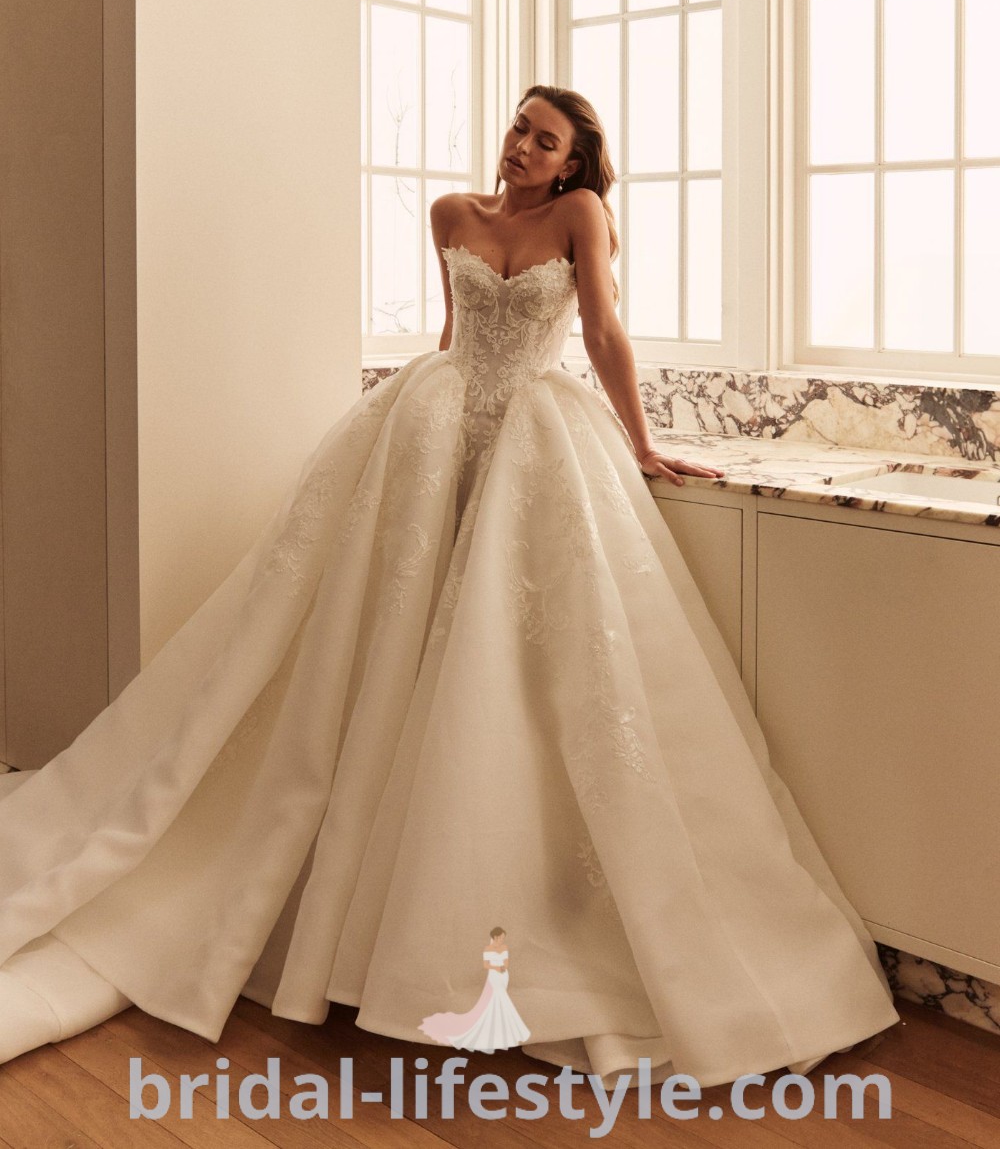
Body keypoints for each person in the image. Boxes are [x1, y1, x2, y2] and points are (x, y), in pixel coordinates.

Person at [0, 85, 900, 1089]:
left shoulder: (580, 217)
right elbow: (448, 332)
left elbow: (601, 332)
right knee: (382, 638)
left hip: (535, 438)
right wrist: (398, 446)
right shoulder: (450, 215)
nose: (521, 146)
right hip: (434, 431)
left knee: (516, 657)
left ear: (572, 164)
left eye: (544, 139)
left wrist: (643, 444)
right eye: (518, 127)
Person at [419, 926, 531, 1052]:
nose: (502, 940)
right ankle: (490, 1029)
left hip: (503, 975)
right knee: (493, 999)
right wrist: (496, 968)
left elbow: (506, 962)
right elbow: (486, 964)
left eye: (503, 938)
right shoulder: (488, 949)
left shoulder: (504, 948)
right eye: (500, 938)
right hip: (494, 975)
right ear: (494, 937)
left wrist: (503, 967)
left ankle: (501, 1028)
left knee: (502, 999)